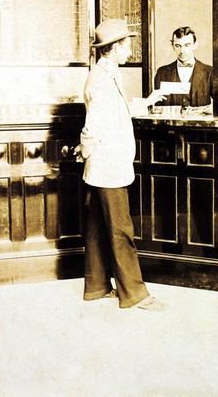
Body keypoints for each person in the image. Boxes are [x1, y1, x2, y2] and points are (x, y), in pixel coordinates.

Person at [77, 18, 166, 311]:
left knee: (97, 228)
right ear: (115, 48)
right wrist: (85, 151)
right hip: (107, 166)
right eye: (127, 45)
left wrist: (149, 100)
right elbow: (93, 125)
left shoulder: (107, 73)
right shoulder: (102, 80)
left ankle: (97, 287)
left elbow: (118, 112)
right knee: (120, 230)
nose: (130, 50)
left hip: (102, 166)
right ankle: (135, 294)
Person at [153, 26, 213, 113]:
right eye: (178, 46)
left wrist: (199, 111)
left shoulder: (209, 71)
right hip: (170, 126)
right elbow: (157, 109)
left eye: (187, 45)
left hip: (201, 126)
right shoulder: (162, 72)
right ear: (172, 46)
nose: (182, 51)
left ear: (195, 45)